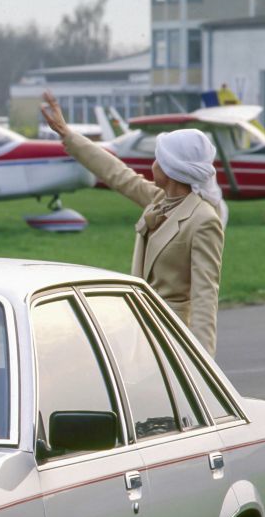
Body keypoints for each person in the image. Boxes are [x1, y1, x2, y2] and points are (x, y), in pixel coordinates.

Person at [40, 90, 225, 355]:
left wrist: (203, 363)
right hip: (142, 330)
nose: (153, 163)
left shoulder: (204, 220)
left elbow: (205, 297)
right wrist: (67, 134)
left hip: (173, 341)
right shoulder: (159, 200)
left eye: (159, 158)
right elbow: (117, 173)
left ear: (172, 167)